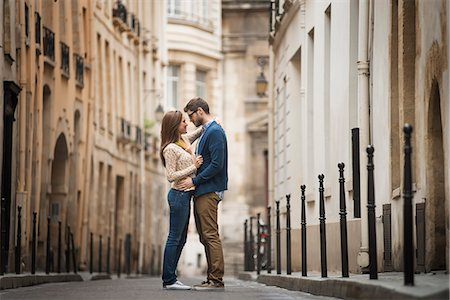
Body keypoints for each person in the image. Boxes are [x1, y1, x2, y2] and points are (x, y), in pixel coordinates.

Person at [179, 97, 228, 291]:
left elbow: (217, 164)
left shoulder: (215, 132)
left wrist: (194, 180)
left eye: (191, 116)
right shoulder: (208, 130)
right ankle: (212, 278)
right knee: (205, 236)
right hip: (203, 190)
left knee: (210, 234)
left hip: (208, 190)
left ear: (200, 111)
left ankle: (216, 279)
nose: (190, 121)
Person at [159, 110, 203, 290]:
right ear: (174, 126)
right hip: (178, 195)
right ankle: (168, 280)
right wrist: (194, 166)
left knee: (182, 238)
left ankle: (171, 277)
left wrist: (211, 120)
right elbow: (170, 176)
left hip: (186, 195)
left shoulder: (184, 139)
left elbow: (199, 131)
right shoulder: (170, 148)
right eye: (183, 122)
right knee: (174, 238)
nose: (187, 124)